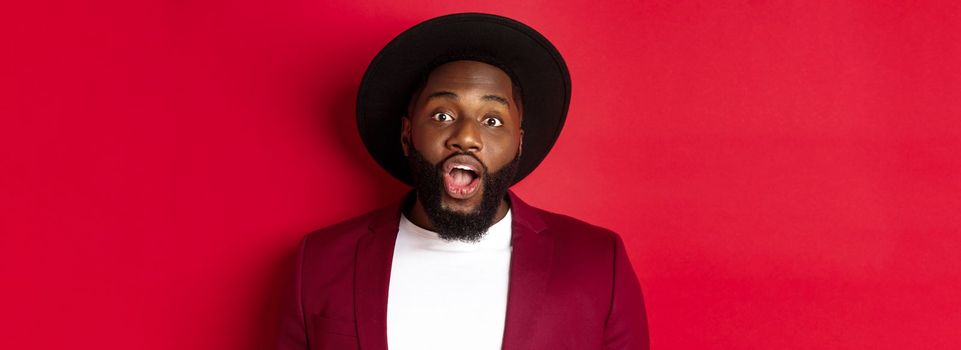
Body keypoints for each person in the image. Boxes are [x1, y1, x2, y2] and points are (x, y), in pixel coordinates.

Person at [278, 13, 649, 350]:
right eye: (442, 114)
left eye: (492, 120)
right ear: (407, 135)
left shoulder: (599, 262)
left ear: (518, 142)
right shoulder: (320, 261)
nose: (466, 137)